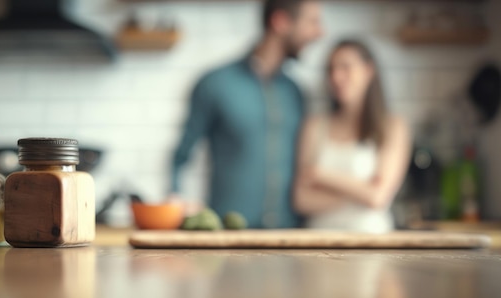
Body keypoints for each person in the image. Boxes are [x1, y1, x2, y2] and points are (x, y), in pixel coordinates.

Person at [170, 0, 324, 228]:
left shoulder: (296, 92)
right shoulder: (215, 84)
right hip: (229, 236)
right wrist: (178, 199)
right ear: (280, 22)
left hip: (290, 237)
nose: (320, 33)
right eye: (312, 22)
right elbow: (180, 157)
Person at [293, 40, 411, 233]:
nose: (336, 77)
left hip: (371, 242)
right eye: (331, 69)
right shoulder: (314, 126)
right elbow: (301, 200)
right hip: (317, 242)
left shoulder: (392, 127)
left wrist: (321, 175)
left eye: (346, 67)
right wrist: (360, 192)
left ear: (368, 70)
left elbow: (378, 198)